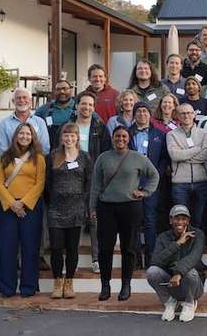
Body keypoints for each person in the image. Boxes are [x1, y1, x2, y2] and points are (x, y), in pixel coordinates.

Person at [90, 126, 160, 301]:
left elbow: (154, 175)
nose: (120, 139)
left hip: (130, 206)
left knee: (129, 248)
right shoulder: (103, 158)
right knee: (105, 249)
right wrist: (92, 208)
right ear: (112, 138)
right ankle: (105, 285)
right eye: (117, 136)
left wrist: (144, 192)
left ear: (128, 139)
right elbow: (95, 185)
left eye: (123, 136)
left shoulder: (137, 158)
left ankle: (126, 285)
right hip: (106, 207)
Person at [0, 123, 46, 297]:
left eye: (28, 134)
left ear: (33, 137)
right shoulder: (5, 157)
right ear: (16, 136)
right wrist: (12, 203)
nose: (24, 136)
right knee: (6, 248)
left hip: (30, 208)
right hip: (8, 208)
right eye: (21, 133)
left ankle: (28, 287)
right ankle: (6, 288)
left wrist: (23, 203)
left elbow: (40, 184)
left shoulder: (38, 158)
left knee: (30, 248)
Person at [45, 123, 92, 299]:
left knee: (72, 248)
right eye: (66, 135)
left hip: (76, 209)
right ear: (61, 137)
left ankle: (69, 282)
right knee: (56, 247)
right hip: (56, 209)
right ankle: (57, 281)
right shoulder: (53, 157)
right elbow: (47, 183)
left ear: (77, 137)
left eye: (72, 135)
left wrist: (84, 202)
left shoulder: (85, 157)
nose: (69, 139)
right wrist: (53, 199)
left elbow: (89, 182)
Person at [67, 91, 111, 272]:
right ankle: (71, 260)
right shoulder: (68, 127)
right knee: (73, 219)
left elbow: (107, 153)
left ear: (94, 108)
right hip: (72, 179)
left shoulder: (100, 127)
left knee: (94, 219)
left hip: (94, 179)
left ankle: (97, 259)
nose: (86, 107)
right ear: (76, 106)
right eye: (83, 104)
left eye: (90, 105)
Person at [146, 205, 206, 323]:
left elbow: (194, 257)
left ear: (188, 221)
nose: (180, 222)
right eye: (177, 218)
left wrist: (178, 273)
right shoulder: (163, 237)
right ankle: (169, 302)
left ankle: (189, 303)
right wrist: (177, 243)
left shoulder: (198, 234)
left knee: (190, 271)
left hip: (193, 286)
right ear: (170, 220)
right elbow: (155, 261)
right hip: (172, 285)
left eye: (184, 219)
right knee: (152, 271)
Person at [128, 102, 170, 267]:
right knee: (134, 222)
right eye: (138, 111)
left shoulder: (160, 134)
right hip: (132, 183)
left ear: (150, 114)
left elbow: (164, 158)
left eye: (145, 111)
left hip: (152, 184)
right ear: (134, 114)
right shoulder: (127, 133)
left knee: (151, 219)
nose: (142, 114)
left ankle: (151, 256)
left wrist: (156, 175)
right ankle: (135, 258)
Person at [167, 103, 207, 230]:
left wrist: (185, 155)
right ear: (177, 116)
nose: (186, 115)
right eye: (182, 113)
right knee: (181, 219)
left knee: (199, 217)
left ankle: (196, 243)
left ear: (194, 114)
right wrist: (196, 149)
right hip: (180, 183)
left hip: (201, 181)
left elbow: (205, 155)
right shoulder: (171, 135)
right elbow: (175, 155)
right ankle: (183, 244)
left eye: (189, 113)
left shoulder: (204, 134)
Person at [0, 88, 50, 155]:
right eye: (18, 98)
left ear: (30, 101)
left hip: (35, 163)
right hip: (12, 163)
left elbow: (45, 148)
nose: (22, 100)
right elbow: (2, 149)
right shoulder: (4, 123)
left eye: (25, 97)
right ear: (13, 101)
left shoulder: (40, 122)